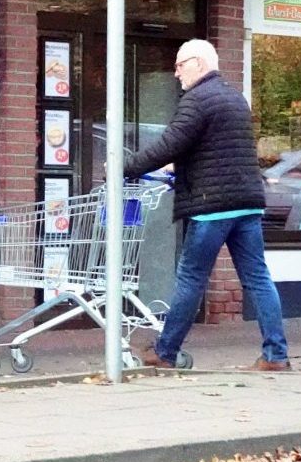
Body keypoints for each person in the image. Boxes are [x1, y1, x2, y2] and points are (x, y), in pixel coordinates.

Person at [123, 39, 290, 371]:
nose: (176, 73)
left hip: (212, 205)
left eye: (180, 64)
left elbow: (170, 144)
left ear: (198, 63)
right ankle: (276, 355)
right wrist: (181, 166)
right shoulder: (234, 97)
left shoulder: (197, 99)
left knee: (190, 278)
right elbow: (217, 150)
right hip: (247, 204)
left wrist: (123, 167)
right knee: (257, 277)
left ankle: (166, 352)